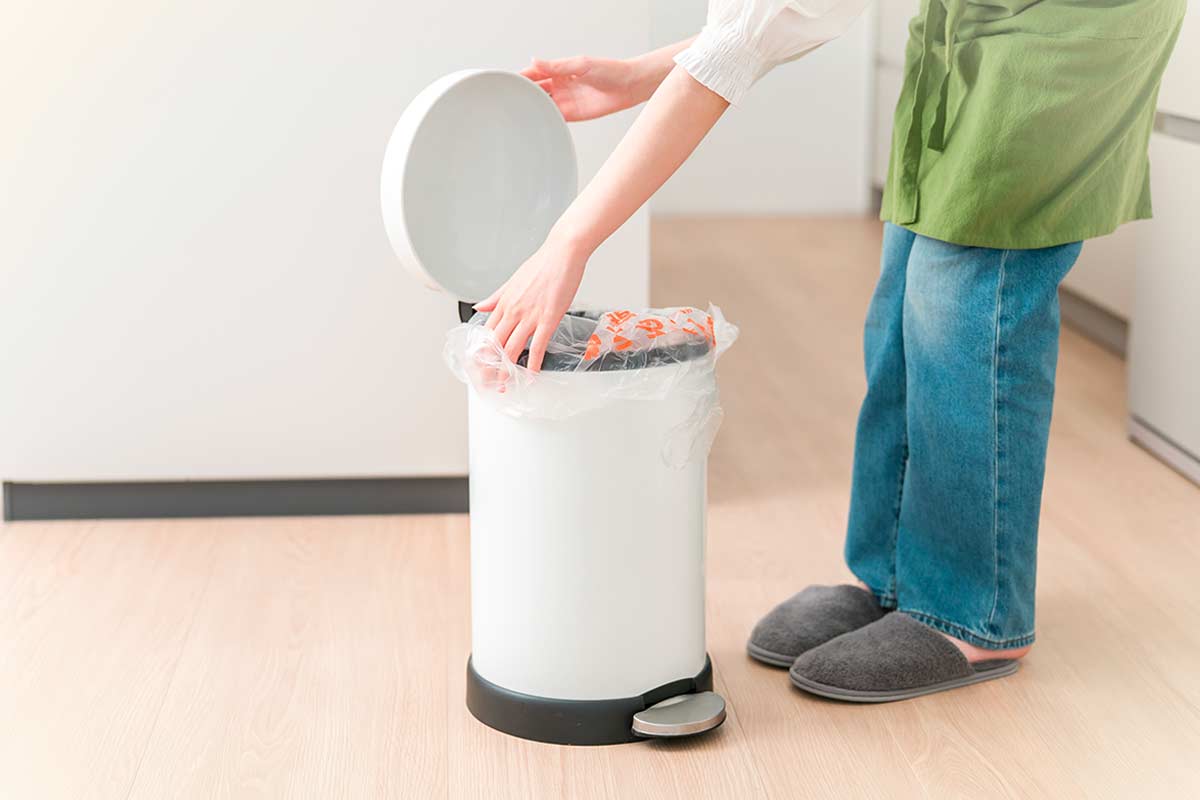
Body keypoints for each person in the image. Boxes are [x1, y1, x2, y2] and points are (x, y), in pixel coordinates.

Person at [477, 0, 1186, 701]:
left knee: (971, 301)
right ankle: (896, 583)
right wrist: (643, 75)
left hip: (1063, 31)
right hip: (975, 21)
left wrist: (569, 242)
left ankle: (972, 612)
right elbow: (776, 15)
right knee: (905, 300)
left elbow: (759, 27)